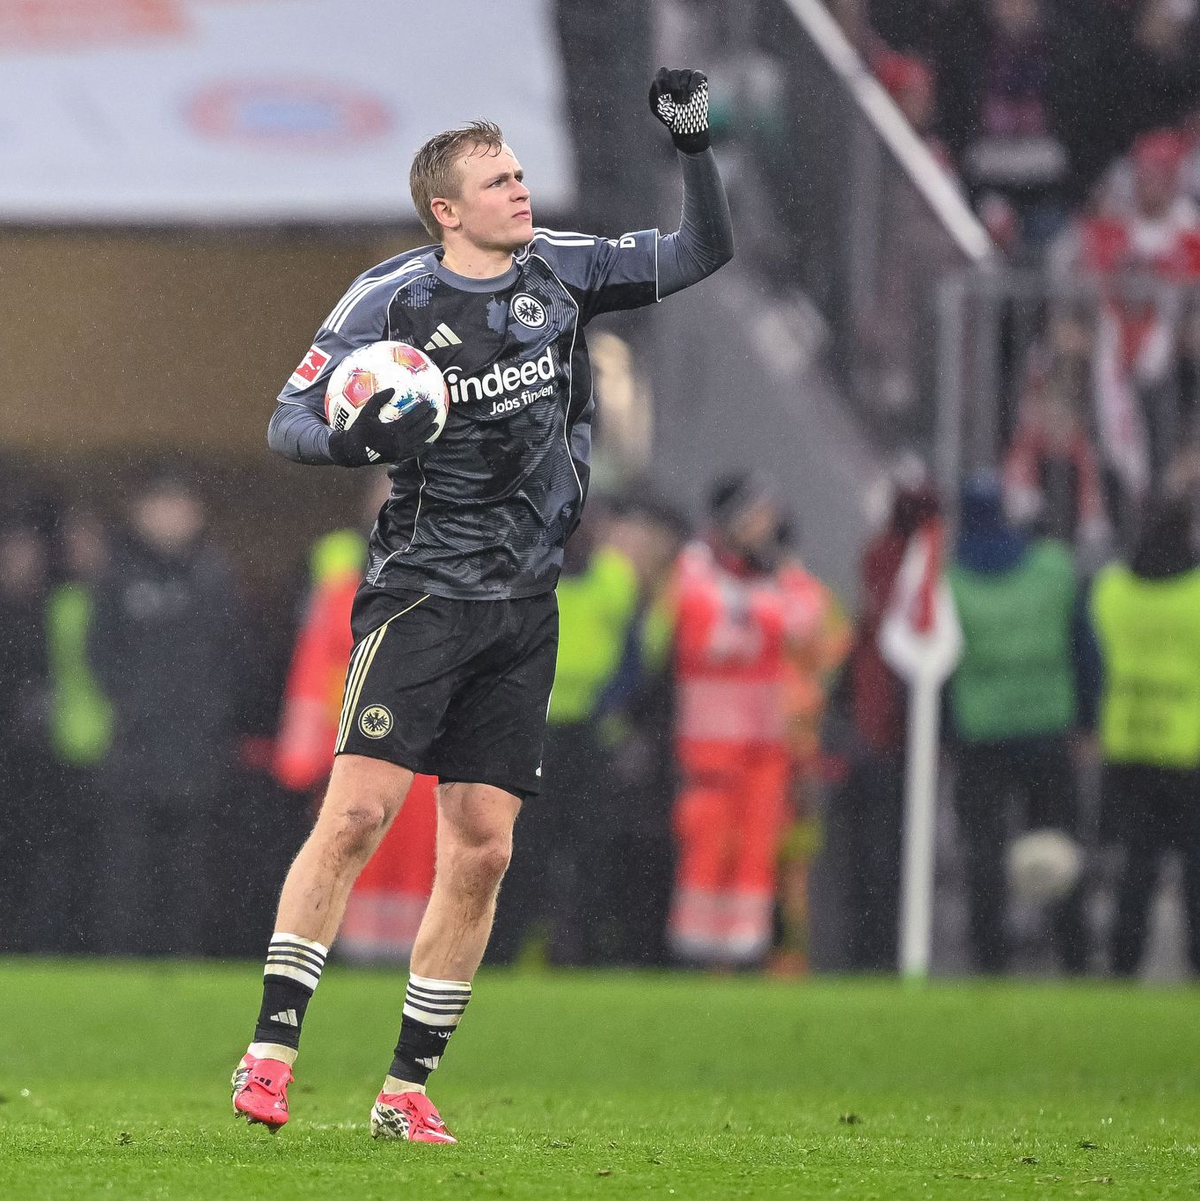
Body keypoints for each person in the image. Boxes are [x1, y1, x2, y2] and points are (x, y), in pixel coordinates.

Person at [233, 70, 733, 1142]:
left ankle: (405, 1090)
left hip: (526, 601)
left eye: (519, 172)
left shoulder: (563, 266)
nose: (521, 190)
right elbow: (286, 419)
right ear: (446, 210)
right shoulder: (392, 299)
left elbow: (701, 253)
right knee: (359, 813)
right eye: (498, 180)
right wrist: (351, 439)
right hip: (421, 597)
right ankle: (271, 1054)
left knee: (485, 849)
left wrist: (694, 147)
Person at [667, 474, 844, 970]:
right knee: (708, 849)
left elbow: (806, 623)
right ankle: (700, 956)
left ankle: (746, 953)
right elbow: (716, 637)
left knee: (758, 852)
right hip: (709, 747)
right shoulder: (696, 570)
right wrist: (763, 603)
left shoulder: (774, 575)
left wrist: (770, 585)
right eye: (754, 516)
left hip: (767, 745)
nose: (765, 525)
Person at [89, 473, 245, 957]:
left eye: (179, 506)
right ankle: (121, 959)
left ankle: (186, 956)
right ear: (140, 514)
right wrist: (134, 706)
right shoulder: (118, 576)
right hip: (134, 746)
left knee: (190, 865)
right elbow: (99, 653)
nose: (170, 517)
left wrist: (210, 716)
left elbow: (236, 657)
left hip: (196, 748)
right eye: (160, 506)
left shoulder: (214, 578)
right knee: (125, 863)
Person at [945, 474, 1092, 974]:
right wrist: (1087, 719)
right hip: (1046, 725)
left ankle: (990, 958)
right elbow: (1083, 648)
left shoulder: (952, 581)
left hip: (981, 731)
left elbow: (942, 666)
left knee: (985, 851)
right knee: (1058, 844)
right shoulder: (1052, 569)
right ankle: (1073, 952)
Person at [1091, 495, 1200, 976]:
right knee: (1195, 866)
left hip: (1129, 740)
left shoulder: (1112, 590)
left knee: (1137, 865)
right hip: (1187, 744)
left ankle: (1123, 964)